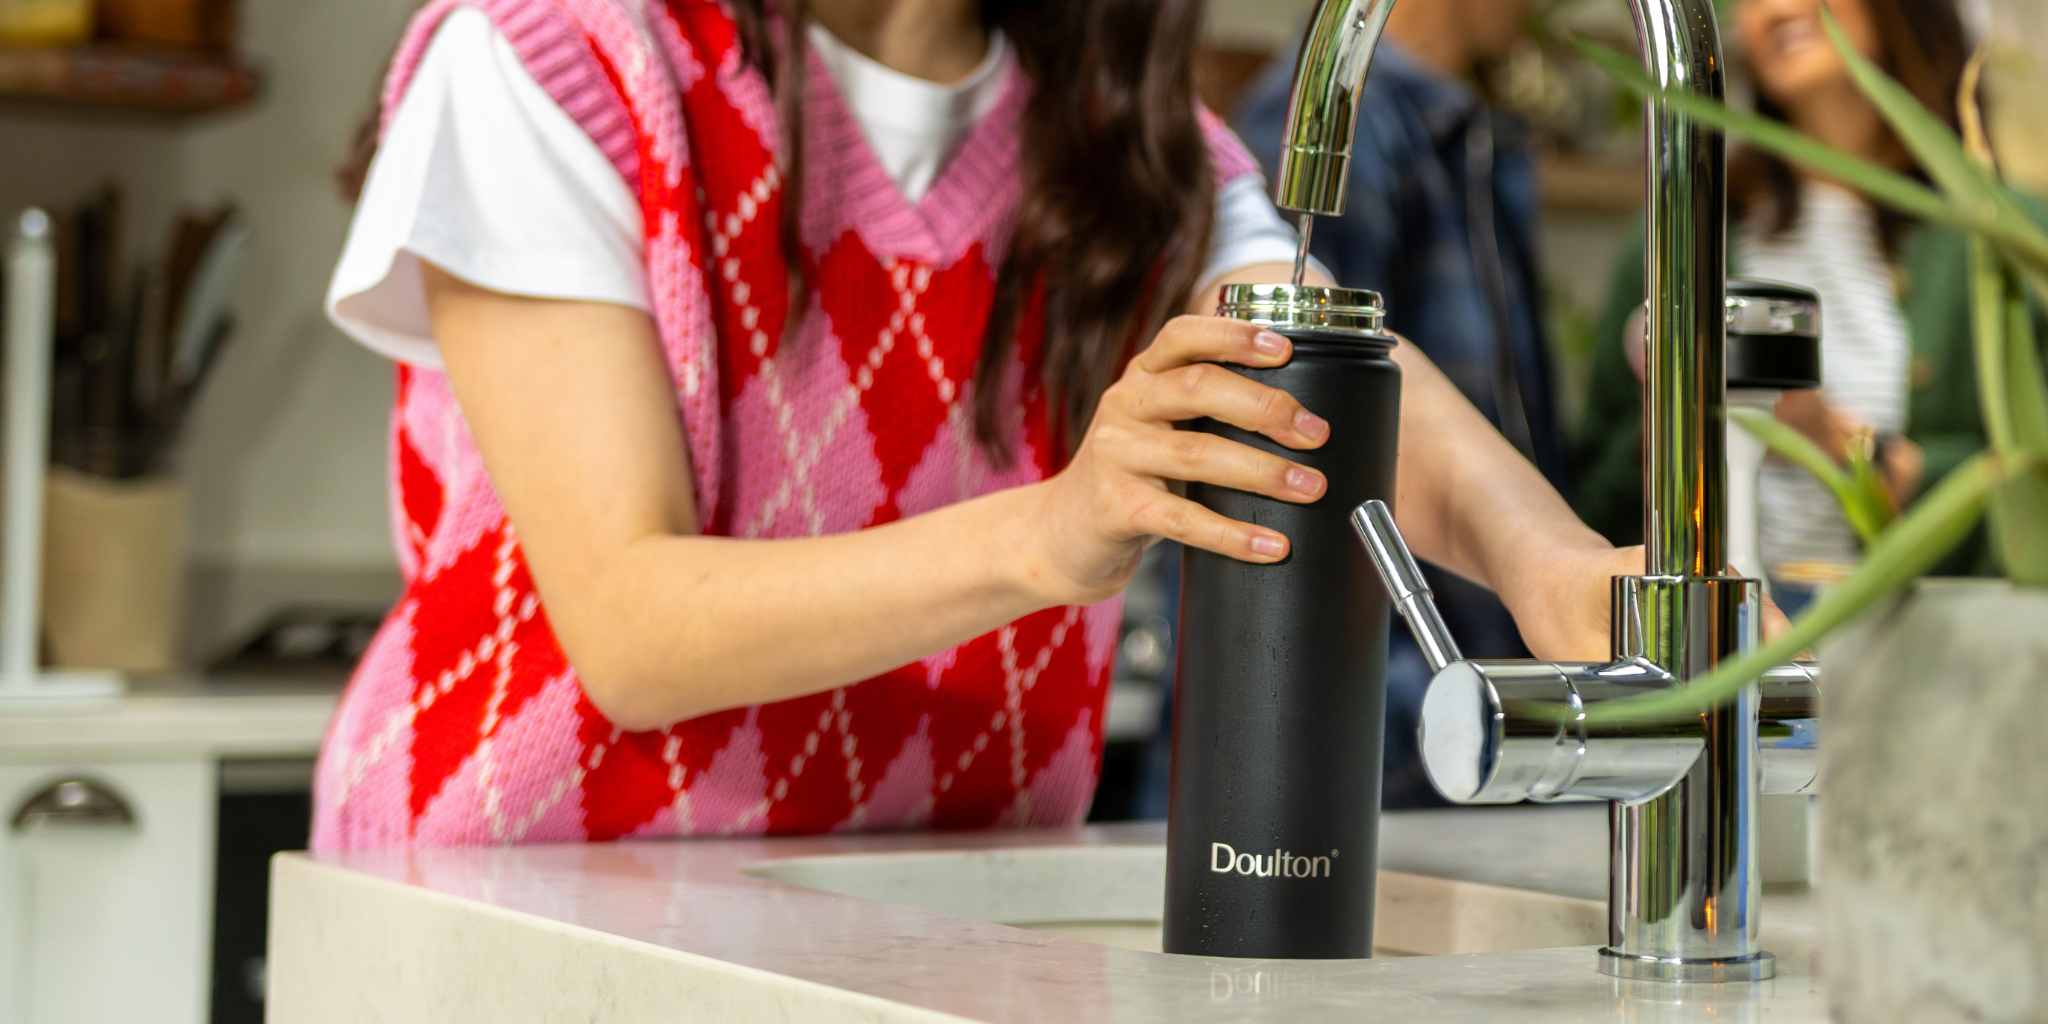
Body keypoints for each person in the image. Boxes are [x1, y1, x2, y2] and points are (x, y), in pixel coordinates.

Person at [315, 0, 1638, 851]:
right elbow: (630, 632)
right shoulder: (558, 58)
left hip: (926, 919)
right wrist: (1055, 532)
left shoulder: (1134, 151)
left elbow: (1331, 381)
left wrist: (1558, 572)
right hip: (512, 909)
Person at [1233, 0, 1562, 807]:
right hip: (1376, 735)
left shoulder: (1471, 135)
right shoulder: (1348, 122)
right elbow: (1300, 418)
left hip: (1464, 693)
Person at [1575, 0, 1996, 614]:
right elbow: (1594, 505)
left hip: (1915, 656)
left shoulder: (1993, 241)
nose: (1774, 8)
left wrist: (1844, 444)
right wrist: (1680, 425)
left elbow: (2025, 492)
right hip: (1724, 647)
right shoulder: (1677, 231)